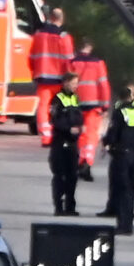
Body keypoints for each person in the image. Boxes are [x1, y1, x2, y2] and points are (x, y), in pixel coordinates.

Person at [102, 83, 134, 235]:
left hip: (121, 156)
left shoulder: (120, 113)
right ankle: (128, 223)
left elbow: (113, 133)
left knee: (121, 189)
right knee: (130, 190)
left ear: (120, 97)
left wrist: (107, 143)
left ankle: (123, 225)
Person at [27, 7, 73, 149]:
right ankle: (62, 133)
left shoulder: (39, 35)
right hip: (60, 79)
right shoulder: (64, 37)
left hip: (43, 77)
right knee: (64, 107)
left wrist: (35, 71)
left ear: (50, 18)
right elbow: (69, 61)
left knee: (43, 107)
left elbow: (32, 57)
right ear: (61, 19)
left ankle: (46, 137)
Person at [70, 40, 110, 181]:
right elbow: (103, 84)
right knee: (91, 136)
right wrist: (105, 104)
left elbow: (68, 83)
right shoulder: (98, 63)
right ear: (91, 47)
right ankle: (87, 162)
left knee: (81, 134)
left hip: (77, 104)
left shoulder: (73, 63)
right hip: (94, 105)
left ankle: (80, 162)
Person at [46, 82, 85, 216]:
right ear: (66, 83)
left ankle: (70, 207)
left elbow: (79, 117)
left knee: (72, 176)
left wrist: (80, 128)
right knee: (59, 176)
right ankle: (58, 207)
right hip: (60, 142)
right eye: (73, 83)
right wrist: (69, 129)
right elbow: (54, 120)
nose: (75, 86)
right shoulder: (57, 99)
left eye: (76, 83)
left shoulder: (75, 98)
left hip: (73, 143)